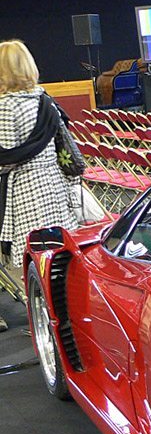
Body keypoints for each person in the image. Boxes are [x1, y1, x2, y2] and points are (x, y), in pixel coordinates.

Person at [0, 40, 78, 333]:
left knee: (31, 259)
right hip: (54, 185)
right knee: (57, 254)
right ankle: (67, 315)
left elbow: (6, 156)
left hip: (25, 190)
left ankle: (44, 324)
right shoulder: (45, 100)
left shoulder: (5, 106)